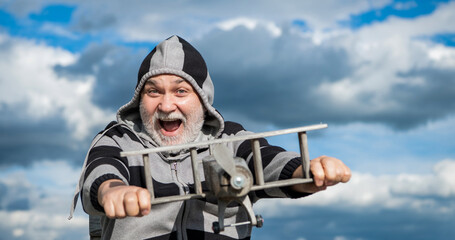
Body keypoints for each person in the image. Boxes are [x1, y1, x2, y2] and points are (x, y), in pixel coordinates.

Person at [70, 35, 351, 240]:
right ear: (139, 99)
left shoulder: (230, 138)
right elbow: (100, 174)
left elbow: (266, 160)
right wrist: (113, 191)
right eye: (153, 92)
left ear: (202, 101)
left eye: (181, 91)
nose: (166, 106)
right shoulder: (118, 138)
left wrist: (308, 170)